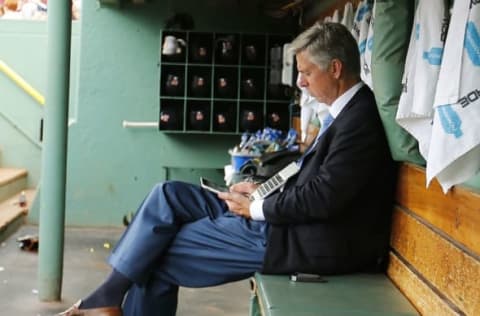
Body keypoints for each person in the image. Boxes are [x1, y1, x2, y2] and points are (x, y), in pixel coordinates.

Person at [59, 22, 396, 316]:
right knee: (169, 193)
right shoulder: (347, 113)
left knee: (153, 256)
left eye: (307, 73)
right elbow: (316, 182)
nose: (301, 82)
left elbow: (324, 197)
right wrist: (261, 188)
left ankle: (105, 298)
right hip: (286, 222)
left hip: (299, 242)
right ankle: (106, 297)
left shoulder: (359, 121)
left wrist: (257, 209)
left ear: (335, 68)